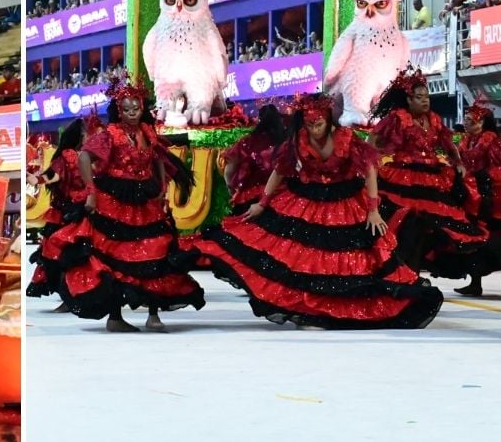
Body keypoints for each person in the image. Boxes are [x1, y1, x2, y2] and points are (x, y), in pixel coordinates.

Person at [188, 94, 442, 329]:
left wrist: (373, 210)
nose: (313, 128)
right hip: (305, 198)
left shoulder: (347, 138)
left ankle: (333, 310)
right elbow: (280, 170)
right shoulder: (298, 139)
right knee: (301, 260)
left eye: (317, 123)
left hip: (345, 202)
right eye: (309, 124)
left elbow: (369, 170)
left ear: (328, 119)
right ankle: (308, 310)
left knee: (348, 263)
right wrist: (262, 203)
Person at [51, 80, 204, 332]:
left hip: (145, 198)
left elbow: (158, 159)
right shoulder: (110, 134)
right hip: (114, 200)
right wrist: (90, 192)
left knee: (157, 251)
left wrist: (162, 188)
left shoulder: (148, 131)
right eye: (127, 109)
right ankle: (115, 316)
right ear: (119, 110)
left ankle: (153, 314)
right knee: (114, 256)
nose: (132, 113)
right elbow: (84, 157)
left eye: (136, 108)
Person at [369, 67, 484, 279]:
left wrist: (457, 161)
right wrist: (372, 162)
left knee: (436, 226)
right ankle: (399, 269)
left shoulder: (434, 119)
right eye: (419, 97)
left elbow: (449, 144)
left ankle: (419, 267)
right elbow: (373, 141)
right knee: (403, 223)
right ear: (408, 100)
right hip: (404, 176)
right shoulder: (398, 118)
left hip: (432, 177)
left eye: (426, 97)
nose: (425, 101)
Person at [454, 101, 501, 298]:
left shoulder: (490, 139)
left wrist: (494, 174)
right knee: (475, 241)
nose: (466, 123)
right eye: (466, 120)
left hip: (493, 196)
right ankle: (475, 283)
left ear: (481, 123)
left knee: (498, 240)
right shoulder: (465, 141)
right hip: (471, 195)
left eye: (470, 121)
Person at [26, 116, 98, 312]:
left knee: (63, 255)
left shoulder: (74, 155)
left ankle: (71, 298)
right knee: (72, 255)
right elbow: (55, 175)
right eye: (85, 135)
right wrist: (38, 179)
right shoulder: (71, 156)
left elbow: (53, 176)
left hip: (71, 211)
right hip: (74, 211)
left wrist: (36, 179)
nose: (87, 138)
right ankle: (73, 297)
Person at [220, 104, 285, 210]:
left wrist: (231, 190)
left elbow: (229, 171)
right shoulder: (286, 142)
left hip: (248, 196)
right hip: (280, 195)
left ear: (259, 119)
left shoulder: (246, 141)